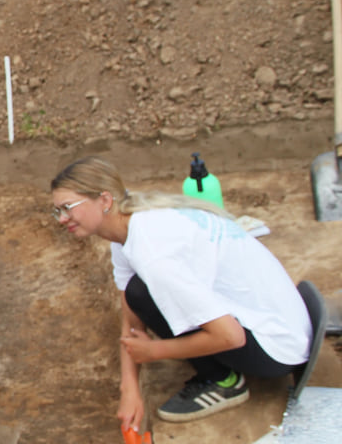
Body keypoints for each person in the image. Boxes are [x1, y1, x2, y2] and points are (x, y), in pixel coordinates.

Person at [49, 156, 311, 429]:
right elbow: (131, 314)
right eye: (57, 211)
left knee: (145, 291)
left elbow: (230, 336)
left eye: (67, 208)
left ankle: (224, 381)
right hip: (282, 319)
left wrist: (155, 351)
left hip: (277, 349)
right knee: (138, 293)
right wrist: (130, 388)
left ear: (104, 200)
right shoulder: (129, 224)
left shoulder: (153, 254)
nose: (62, 219)